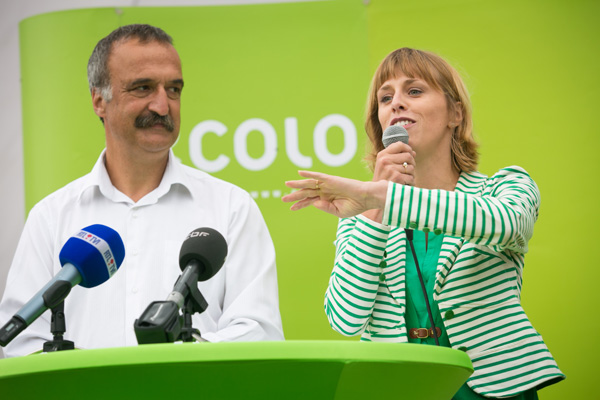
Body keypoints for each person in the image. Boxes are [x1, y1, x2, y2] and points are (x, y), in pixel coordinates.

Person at [283, 48, 563, 399]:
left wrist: (383, 197)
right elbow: (345, 318)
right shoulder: (363, 214)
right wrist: (374, 213)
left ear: (455, 113)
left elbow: (506, 224)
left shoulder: (503, 187)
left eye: (414, 91)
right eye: (386, 98)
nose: (397, 103)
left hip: (494, 390)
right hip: (400, 389)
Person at [0, 24, 283, 357]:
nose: (163, 107)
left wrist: (169, 365)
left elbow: (259, 333)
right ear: (98, 100)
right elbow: (20, 341)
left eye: (174, 90)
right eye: (143, 88)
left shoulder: (231, 207)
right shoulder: (51, 216)